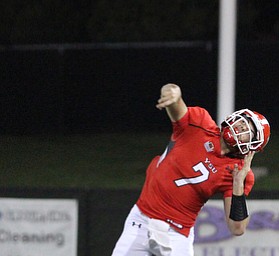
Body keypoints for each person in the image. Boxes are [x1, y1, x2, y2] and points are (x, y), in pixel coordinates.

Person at [111, 83, 271, 256]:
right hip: (142, 219)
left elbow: (237, 228)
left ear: (254, 144)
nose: (242, 127)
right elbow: (175, 102)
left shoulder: (238, 172)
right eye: (244, 121)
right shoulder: (199, 124)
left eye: (250, 130)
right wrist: (172, 92)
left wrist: (238, 183)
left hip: (177, 233)